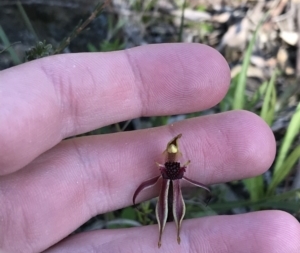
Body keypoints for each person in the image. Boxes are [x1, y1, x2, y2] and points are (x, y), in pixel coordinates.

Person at [0, 43, 299, 253]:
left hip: (172, 179)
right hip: (170, 179)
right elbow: (159, 181)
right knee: (164, 208)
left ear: (174, 159)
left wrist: (176, 173)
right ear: (171, 159)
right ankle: (162, 234)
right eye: (172, 153)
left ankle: (175, 232)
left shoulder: (172, 165)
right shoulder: (170, 165)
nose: (172, 153)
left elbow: (177, 179)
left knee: (176, 208)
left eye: (173, 152)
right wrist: (170, 173)